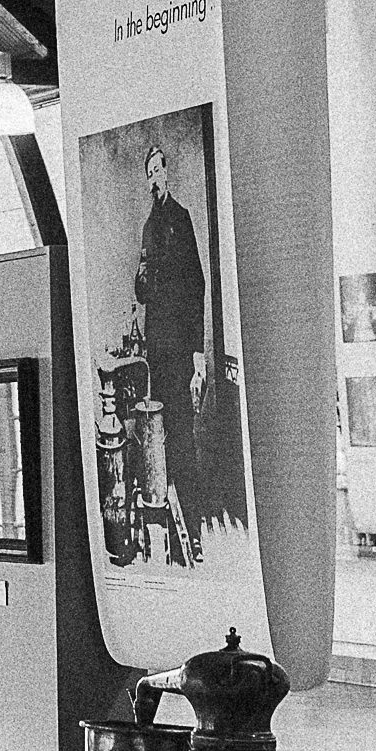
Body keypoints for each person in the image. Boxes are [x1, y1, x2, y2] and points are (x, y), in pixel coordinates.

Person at [133, 129, 211, 568]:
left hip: (180, 347)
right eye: (149, 173)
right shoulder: (147, 227)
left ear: (167, 173)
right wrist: (141, 280)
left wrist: (197, 352)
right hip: (156, 351)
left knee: (182, 440)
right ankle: (168, 533)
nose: (154, 178)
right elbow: (142, 291)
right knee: (157, 440)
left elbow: (196, 284)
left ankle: (193, 534)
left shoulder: (180, 218)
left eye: (158, 170)